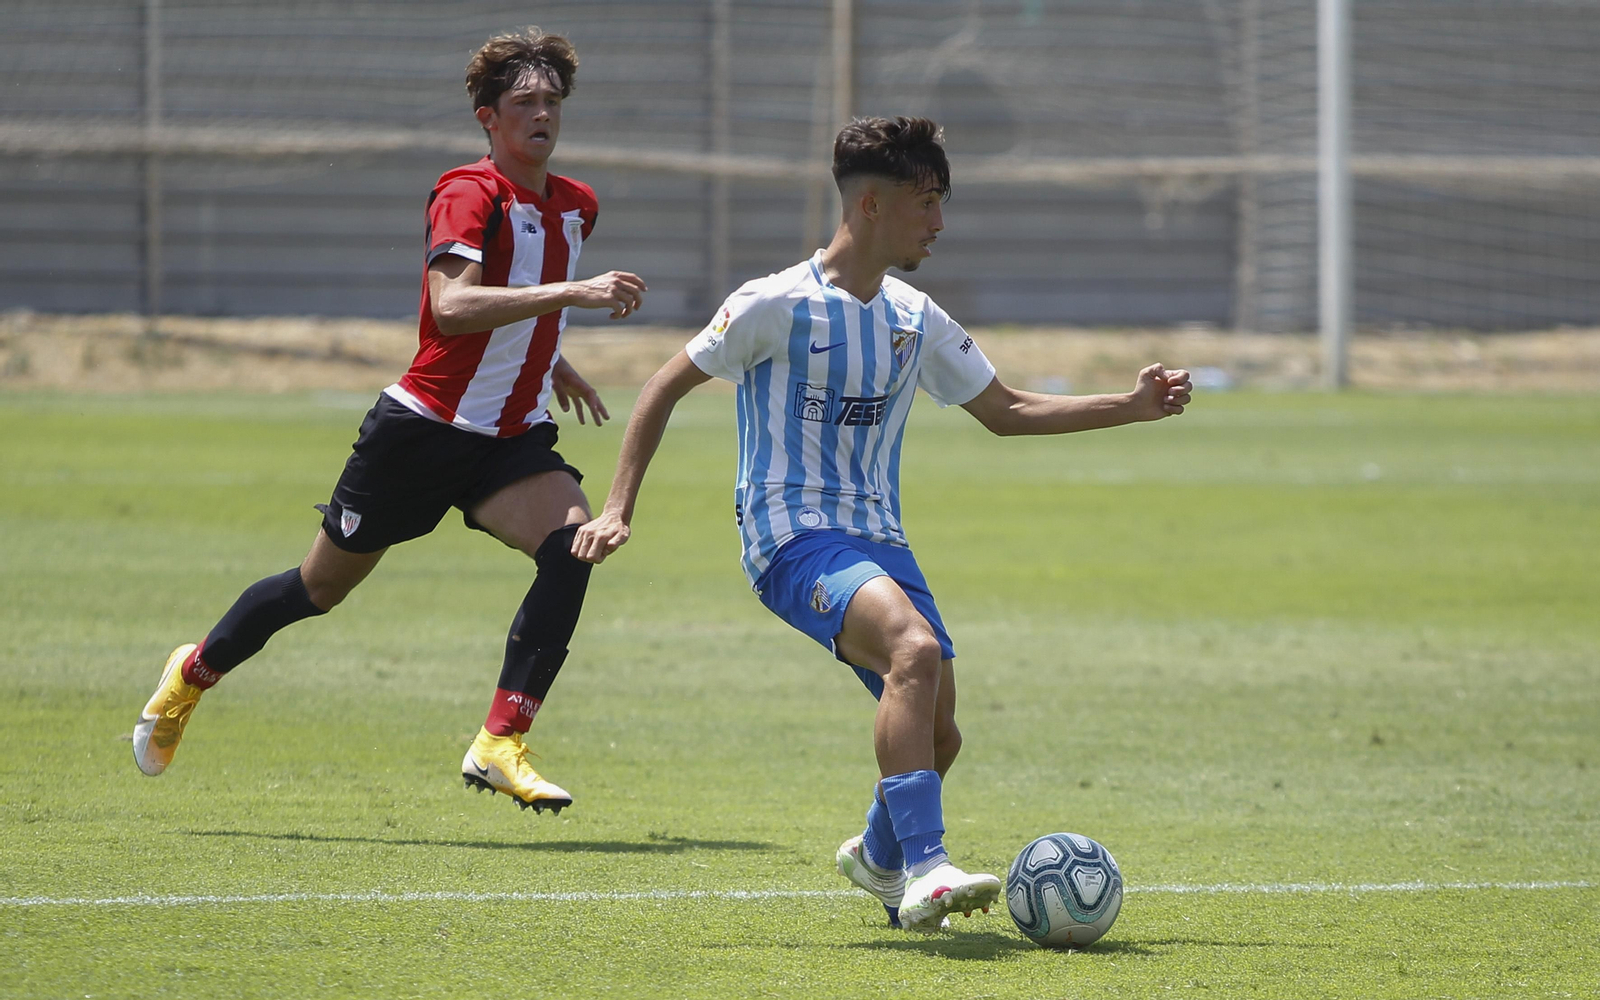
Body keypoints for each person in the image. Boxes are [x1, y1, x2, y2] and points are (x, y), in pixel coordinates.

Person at [572, 116, 1192, 931]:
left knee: (941, 734)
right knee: (914, 649)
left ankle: (877, 856)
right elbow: (661, 386)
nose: (939, 222)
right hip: (789, 535)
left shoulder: (914, 316)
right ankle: (927, 869)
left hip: (880, 540)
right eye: (926, 202)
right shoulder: (774, 303)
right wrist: (618, 508)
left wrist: (1131, 406)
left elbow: (1006, 410)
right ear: (870, 205)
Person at [133, 28, 647, 815]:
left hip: (509, 439)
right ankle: (192, 674)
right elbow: (453, 305)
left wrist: (551, 360)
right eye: (524, 103)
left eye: (552, 101)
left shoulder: (577, 204)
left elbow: (517, 303)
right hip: (421, 433)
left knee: (571, 545)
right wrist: (574, 297)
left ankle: (500, 742)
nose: (542, 113)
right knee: (316, 590)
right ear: (488, 118)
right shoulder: (468, 192)